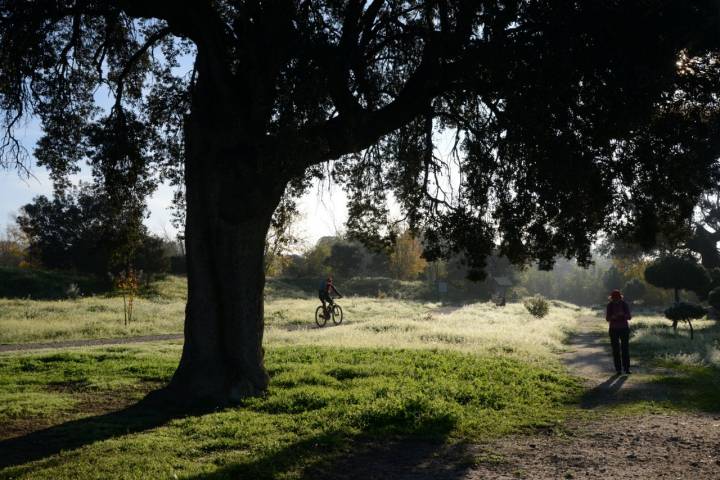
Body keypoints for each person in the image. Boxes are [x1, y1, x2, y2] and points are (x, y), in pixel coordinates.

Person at [606, 289, 632, 374]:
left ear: (620, 297)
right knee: (615, 350)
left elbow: (629, 317)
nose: (616, 300)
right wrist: (612, 317)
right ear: (612, 298)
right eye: (614, 299)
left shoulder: (624, 304)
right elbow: (607, 318)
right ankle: (618, 369)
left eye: (617, 298)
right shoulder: (609, 305)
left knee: (625, 349)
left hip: (624, 329)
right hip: (613, 329)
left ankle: (627, 368)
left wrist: (623, 315)